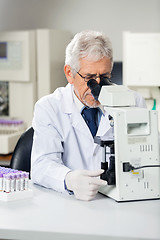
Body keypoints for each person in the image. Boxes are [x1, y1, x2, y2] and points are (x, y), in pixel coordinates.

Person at [31, 30, 146, 201]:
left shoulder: (133, 101)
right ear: (69, 73)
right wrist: (68, 179)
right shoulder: (49, 107)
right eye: (90, 78)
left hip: (124, 198)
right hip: (70, 202)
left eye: (105, 77)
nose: (98, 87)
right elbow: (41, 165)